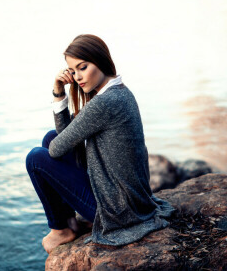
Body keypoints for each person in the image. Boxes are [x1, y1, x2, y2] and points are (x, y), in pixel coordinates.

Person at [25, 34, 176, 254]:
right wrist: (59, 91)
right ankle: (71, 222)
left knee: (36, 158)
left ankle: (60, 229)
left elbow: (58, 148)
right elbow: (63, 139)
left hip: (118, 211)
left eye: (83, 67)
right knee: (50, 137)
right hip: (130, 200)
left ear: (100, 61)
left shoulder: (105, 103)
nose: (77, 77)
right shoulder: (120, 92)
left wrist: (58, 93)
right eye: (73, 71)